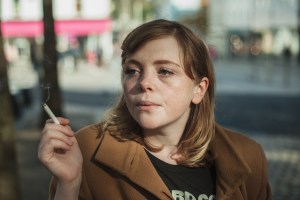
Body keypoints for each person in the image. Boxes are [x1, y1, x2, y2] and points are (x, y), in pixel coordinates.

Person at [38, 19, 272, 200]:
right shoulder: (87, 149)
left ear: (199, 89)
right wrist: (68, 185)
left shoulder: (249, 157)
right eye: (132, 70)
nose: (144, 82)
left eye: (165, 71)